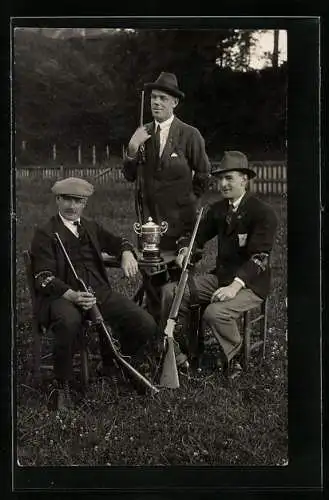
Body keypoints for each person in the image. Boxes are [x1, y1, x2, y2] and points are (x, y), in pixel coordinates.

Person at [30, 177, 159, 410]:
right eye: (67, 199)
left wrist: (127, 252)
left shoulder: (90, 226)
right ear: (58, 200)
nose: (71, 206)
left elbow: (119, 241)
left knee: (145, 322)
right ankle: (63, 385)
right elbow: (43, 277)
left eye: (77, 201)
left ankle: (117, 363)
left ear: (85, 203)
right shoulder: (46, 233)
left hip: (99, 292)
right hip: (63, 296)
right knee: (68, 322)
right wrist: (71, 294)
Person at [162, 151, 278, 372]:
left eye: (229, 178)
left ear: (244, 179)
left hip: (250, 284)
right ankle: (185, 350)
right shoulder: (218, 209)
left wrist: (235, 287)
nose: (223, 184)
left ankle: (234, 358)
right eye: (220, 179)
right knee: (172, 292)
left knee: (215, 313)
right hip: (221, 277)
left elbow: (260, 258)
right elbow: (195, 235)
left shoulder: (263, 213)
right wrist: (186, 248)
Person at [123, 71, 211, 253]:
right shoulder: (142, 133)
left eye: (163, 98)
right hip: (149, 222)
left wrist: (188, 201)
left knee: (179, 276)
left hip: (180, 222)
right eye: (153, 97)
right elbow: (130, 176)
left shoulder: (190, 135)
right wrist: (132, 148)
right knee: (151, 275)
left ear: (175, 103)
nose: (156, 102)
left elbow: (203, 174)